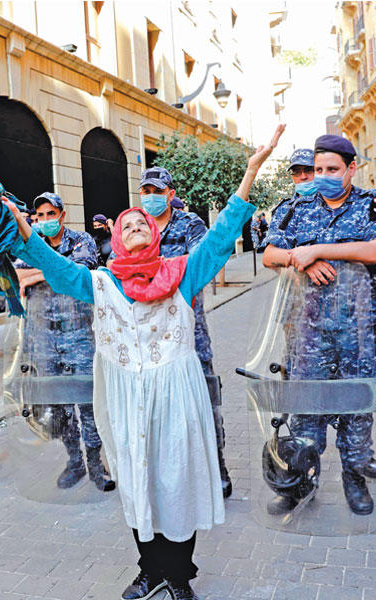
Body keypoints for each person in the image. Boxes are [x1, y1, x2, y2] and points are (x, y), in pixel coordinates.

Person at [0, 125, 284, 600]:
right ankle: (149, 570)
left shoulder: (182, 275)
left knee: (175, 481)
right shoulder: (98, 282)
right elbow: (51, 265)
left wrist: (252, 171)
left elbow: (222, 236)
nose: (134, 226)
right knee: (136, 482)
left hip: (177, 394)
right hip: (124, 395)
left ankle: (178, 576)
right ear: (114, 236)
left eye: (142, 224)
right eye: (126, 223)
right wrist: (23, 225)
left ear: (154, 235)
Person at [263, 134, 376, 515]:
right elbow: (271, 253)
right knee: (306, 406)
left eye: (331, 169)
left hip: (361, 328)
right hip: (309, 330)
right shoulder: (295, 209)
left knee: (356, 404)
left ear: (351, 169)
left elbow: (374, 250)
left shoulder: (373, 204)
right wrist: (297, 258)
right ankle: (300, 480)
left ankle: (354, 478)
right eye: (318, 169)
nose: (322, 176)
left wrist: (318, 249)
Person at [137, 166, 233, 498]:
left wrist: (153, 275)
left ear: (170, 193)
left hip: (190, 330)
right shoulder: (137, 227)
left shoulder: (190, 224)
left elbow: (195, 267)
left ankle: (217, 468)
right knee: (160, 406)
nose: (150, 197)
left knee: (205, 402)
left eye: (156, 191)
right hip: (150, 334)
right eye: (145, 192)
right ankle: (172, 473)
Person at [14, 192, 114, 491]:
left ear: (62, 213)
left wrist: (37, 274)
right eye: (40, 215)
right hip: (45, 337)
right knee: (61, 407)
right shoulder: (32, 245)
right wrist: (45, 273)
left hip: (79, 335)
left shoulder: (81, 239)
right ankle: (74, 462)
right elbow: (18, 276)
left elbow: (79, 273)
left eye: (50, 213)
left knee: (87, 403)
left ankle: (97, 465)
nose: (45, 220)